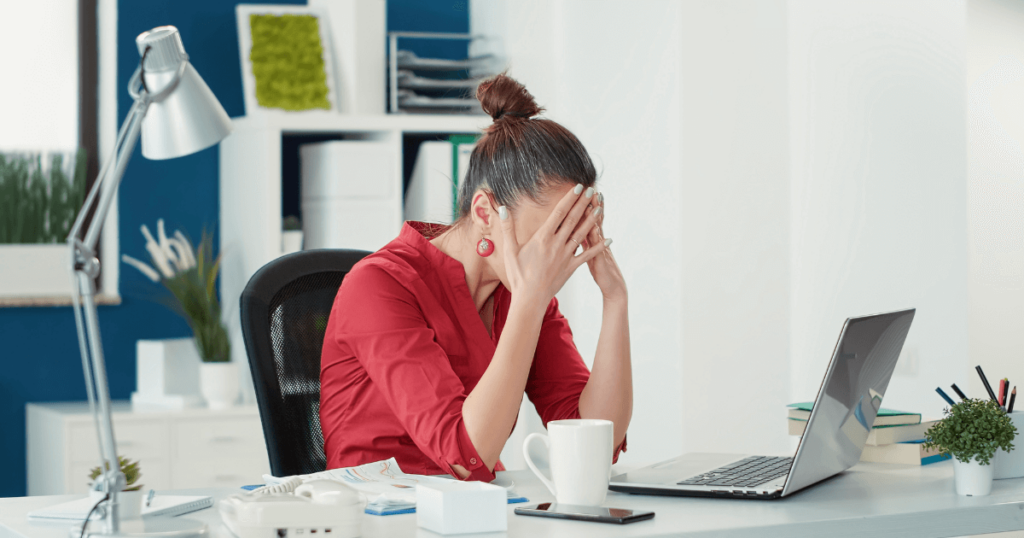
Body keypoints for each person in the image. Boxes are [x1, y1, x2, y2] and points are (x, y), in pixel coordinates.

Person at [319, 73, 633, 481]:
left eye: (569, 236)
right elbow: (466, 455)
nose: (554, 258)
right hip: (381, 512)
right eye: (547, 236)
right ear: (485, 213)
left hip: (476, 510)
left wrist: (615, 299)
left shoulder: (520, 291)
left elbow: (598, 438)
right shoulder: (378, 286)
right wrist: (529, 303)